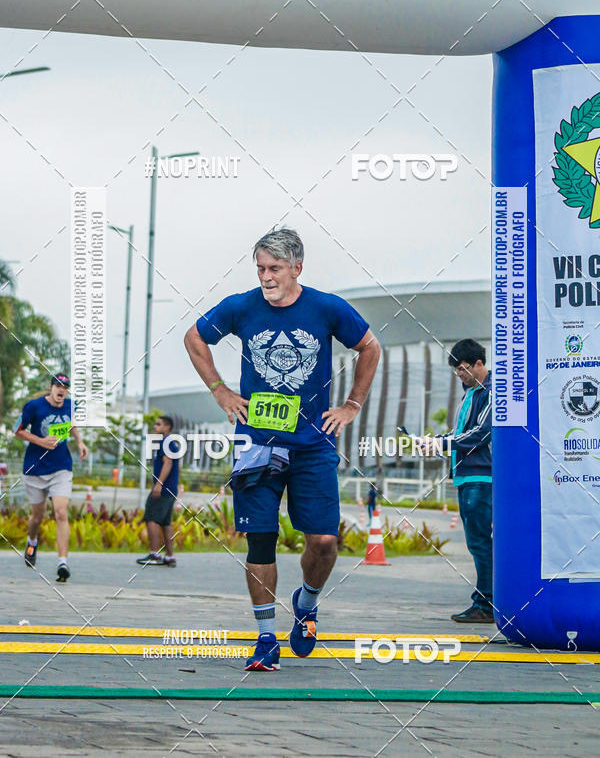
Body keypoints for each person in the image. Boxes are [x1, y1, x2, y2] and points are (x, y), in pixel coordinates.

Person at [184, 227, 380, 671]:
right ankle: (266, 637)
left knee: (325, 541)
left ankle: (306, 605)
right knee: (260, 541)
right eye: (260, 268)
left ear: (297, 268)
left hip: (312, 445)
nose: (266, 277)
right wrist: (220, 391)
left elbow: (370, 346)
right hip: (257, 445)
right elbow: (194, 339)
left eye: (274, 268)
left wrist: (352, 405)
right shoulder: (240, 306)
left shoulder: (326, 308)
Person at [419, 339, 493, 623]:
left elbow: (480, 434)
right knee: (477, 543)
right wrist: (436, 442)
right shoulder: (471, 393)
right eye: (456, 371)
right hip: (466, 476)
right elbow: (460, 431)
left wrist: (443, 444)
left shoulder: (490, 391)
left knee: (480, 543)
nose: (460, 376)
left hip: (480, 476)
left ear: (478, 363)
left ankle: (486, 605)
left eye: (463, 369)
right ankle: (486, 600)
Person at [15, 373, 88, 582]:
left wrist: (80, 442)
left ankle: (62, 562)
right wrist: (41, 441)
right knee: (37, 517)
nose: (61, 390)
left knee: (61, 513)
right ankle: (32, 541)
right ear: (51, 387)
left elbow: (71, 423)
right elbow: (17, 430)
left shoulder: (71, 405)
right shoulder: (34, 406)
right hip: (35, 468)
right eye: (58, 385)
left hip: (61, 466)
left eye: (65, 387)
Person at [136, 415, 178, 567]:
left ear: (167, 427)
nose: (155, 427)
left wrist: (158, 484)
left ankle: (154, 554)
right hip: (171, 489)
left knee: (152, 519)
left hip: (164, 489)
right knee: (166, 523)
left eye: (158, 424)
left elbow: (168, 463)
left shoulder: (166, 442)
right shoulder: (171, 443)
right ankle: (169, 556)